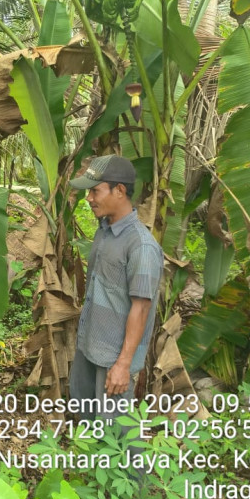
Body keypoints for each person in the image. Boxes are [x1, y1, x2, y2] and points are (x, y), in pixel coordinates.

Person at [68, 155, 163, 422]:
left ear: (119, 191)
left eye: (95, 191)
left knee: (117, 436)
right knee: (86, 421)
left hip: (114, 358)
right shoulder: (104, 230)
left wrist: (123, 365)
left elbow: (141, 308)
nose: (89, 198)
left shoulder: (141, 247)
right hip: (89, 345)